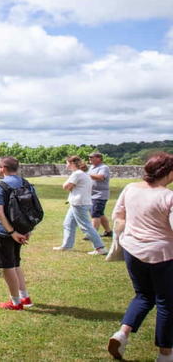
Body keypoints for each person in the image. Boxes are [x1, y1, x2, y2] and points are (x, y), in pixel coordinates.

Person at [107, 152, 173, 361]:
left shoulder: (131, 188)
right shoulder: (168, 196)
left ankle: (122, 334)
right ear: (168, 173)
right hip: (162, 254)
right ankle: (165, 354)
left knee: (143, 295)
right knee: (166, 303)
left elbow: (118, 215)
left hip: (132, 250)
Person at [0, 156, 33, 310]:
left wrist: (12, 232)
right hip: (21, 229)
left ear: (3, 168)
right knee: (15, 263)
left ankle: (15, 302)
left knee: (7, 266)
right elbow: (31, 208)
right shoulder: (26, 183)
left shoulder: (0, 185)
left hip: (3, 231)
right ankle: (25, 297)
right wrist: (27, 230)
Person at [53, 155, 107, 255]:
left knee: (86, 226)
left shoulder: (77, 174)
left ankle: (100, 248)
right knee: (68, 224)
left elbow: (66, 186)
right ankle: (67, 245)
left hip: (79, 203)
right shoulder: (83, 173)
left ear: (72, 163)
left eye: (67, 163)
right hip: (79, 202)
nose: (66, 165)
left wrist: (67, 185)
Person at [88, 151, 113, 238]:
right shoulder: (91, 167)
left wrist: (87, 175)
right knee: (100, 214)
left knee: (95, 214)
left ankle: (93, 234)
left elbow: (101, 177)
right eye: (89, 157)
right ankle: (108, 231)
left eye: (92, 157)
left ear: (99, 158)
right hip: (92, 194)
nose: (90, 158)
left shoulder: (103, 167)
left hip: (100, 195)